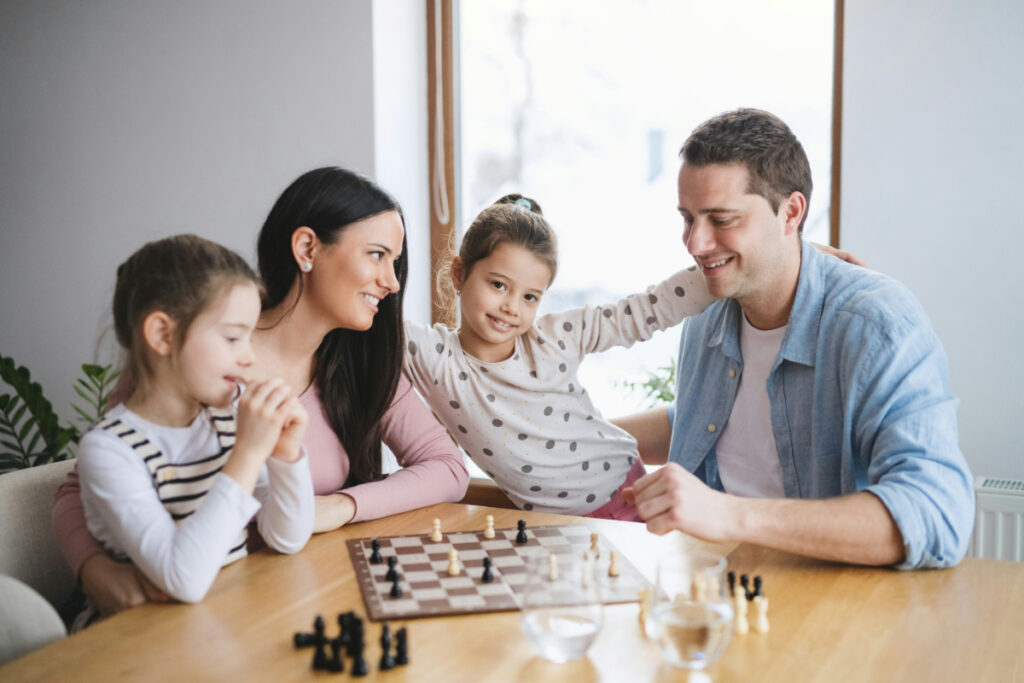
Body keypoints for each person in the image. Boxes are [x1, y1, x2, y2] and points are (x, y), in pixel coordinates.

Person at [53, 168, 470, 617]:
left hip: (284, 598)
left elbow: (448, 468)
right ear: (307, 248)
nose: (392, 282)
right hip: (182, 610)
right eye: (377, 255)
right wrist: (93, 571)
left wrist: (341, 506)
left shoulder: (364, 366)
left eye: (395, 262)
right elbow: (80, 487)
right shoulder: (191, 364)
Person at [619, 109, 973, 569]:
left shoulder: (876, 323)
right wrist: (561, 440)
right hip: (721, 591)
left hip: (834, 606)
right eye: (688, 218)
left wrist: (729, 515)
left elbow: (936, 514)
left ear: (791, 212)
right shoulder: (708, 314)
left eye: (721, 219)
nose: (695, 243)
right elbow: (704, 422)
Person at [403, 195, 715, 519]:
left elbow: (645, 309)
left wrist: (721, 270)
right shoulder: (431, 355)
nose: (512, 306)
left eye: (529, 297)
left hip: (629, 490)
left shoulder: (554, 338)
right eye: (498, 285)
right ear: (458, 273)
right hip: (556, 522)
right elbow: (368, 325)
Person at [72, 234, 314, 629]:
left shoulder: (226, 419)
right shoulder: (110, 450)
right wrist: (248, 456)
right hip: (136, 640)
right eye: (233, 337)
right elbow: (183, 578)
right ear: (163, 335)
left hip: (221, 622)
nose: (249, 356)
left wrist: (286, 455)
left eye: (249, 338)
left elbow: (288, 539)